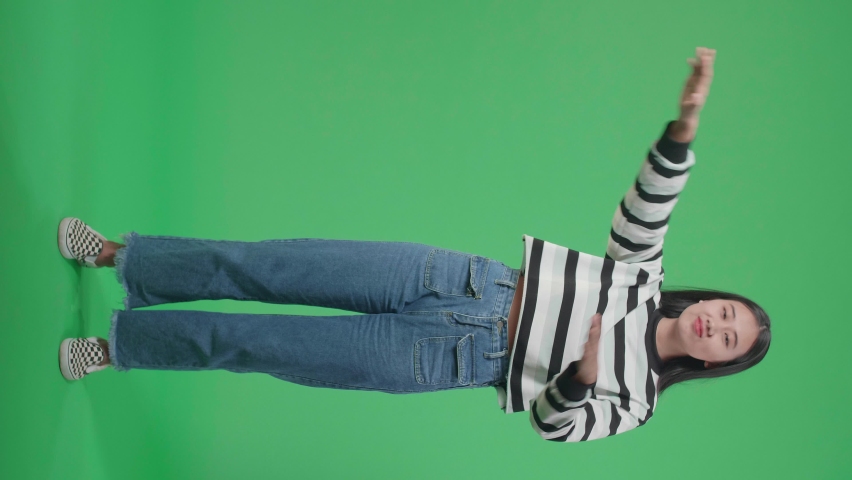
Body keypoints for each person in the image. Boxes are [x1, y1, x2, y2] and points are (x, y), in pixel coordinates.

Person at [56, 47, 771, 442]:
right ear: (710, 300)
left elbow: (557, 427)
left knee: (261, 344)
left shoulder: (638, 400)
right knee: (265, 265)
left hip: (447, 358)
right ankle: (123, 256)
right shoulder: (642, 281)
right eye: (727, 312)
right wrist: (684, 125)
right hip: (457, 282)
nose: (717, 324)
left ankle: (119, 347)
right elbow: (649, 206)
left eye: (728, 341)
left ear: (714, 363)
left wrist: (582, 372)